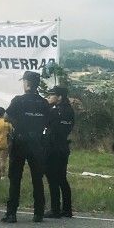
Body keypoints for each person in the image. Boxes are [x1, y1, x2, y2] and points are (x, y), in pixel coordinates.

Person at [2, 71, 49, 224]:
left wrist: (19, 123)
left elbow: (6, 117)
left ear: (27, 83)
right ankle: (38, 213)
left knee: (15, 178)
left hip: (20, 141)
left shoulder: (18, 100)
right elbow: (47, 122)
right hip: (36, 142)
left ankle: (11, 213)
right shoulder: (43, 103)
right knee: (37, 178)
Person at [44, 85, 75, 218]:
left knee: (52, 178)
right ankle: (67, 209)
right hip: (63, 146)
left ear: (60, 97)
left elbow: (46, 124)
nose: (49, 97)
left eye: (51, 95)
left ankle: (55, 209)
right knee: (62, 178)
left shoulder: (54, 111)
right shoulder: (70, 111)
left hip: (53, 147)